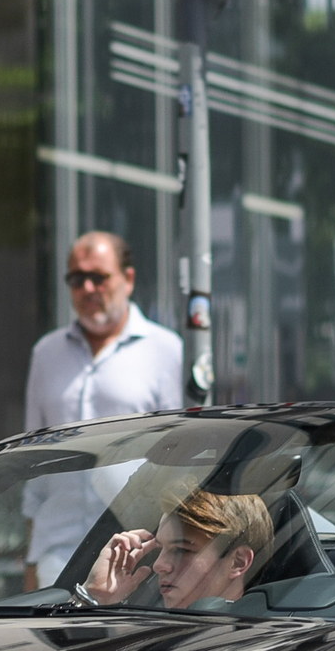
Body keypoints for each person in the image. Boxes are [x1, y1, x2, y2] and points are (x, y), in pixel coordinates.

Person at [21, 231, 186, 586]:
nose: (88, 288)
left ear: (128, 279)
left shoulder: (164, 349)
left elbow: (179, 459)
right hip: (57, 549)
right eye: (77, 279)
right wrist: (31, 557)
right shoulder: (46, 353)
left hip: (136, 551)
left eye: (99, 277)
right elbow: (32, 461)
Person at [86, 489, 271, 611]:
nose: (159, 565)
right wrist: (96, 597)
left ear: (238, 562)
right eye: (160, 549)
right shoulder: (144, 626)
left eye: (181, 550)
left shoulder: (262, 647)